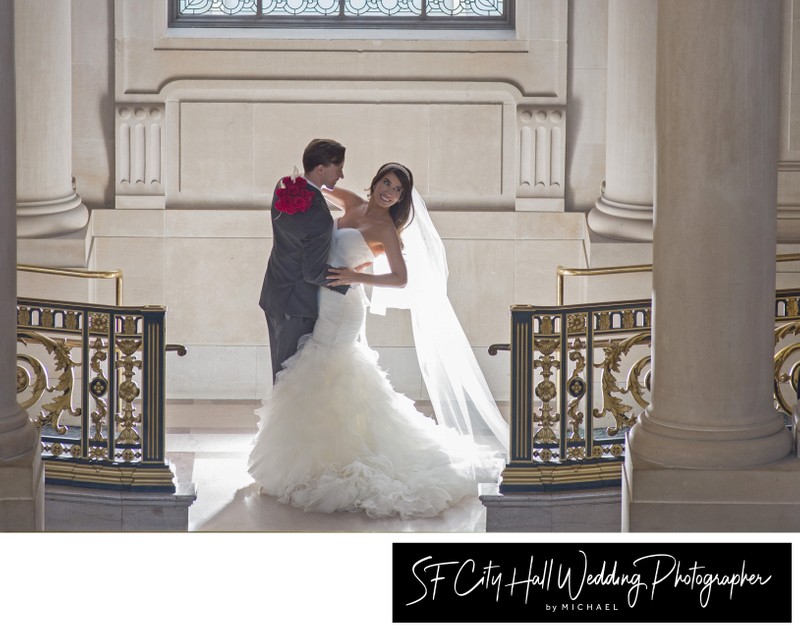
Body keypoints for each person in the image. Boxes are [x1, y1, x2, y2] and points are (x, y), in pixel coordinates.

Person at [248, 162, 506, 519]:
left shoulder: (385, 227)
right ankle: (321, 453)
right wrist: (288, 191)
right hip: (319, 297)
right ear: (374, 183)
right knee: (323, 374)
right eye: (386, 182)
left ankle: (332, 459)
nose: (390, 191)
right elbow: (315, 188)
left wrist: (356, 274)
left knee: (327, 372)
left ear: (401, 198)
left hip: (344, 307)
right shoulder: (352, 202)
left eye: (398, 190)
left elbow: (400, 278)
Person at [258, 138, 349, 383]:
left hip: (274, 294)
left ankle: (278, 422)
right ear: (320, 169)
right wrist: (348, 281)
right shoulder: (320, 218)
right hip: (297, 307)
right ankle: (285, 422)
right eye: (338, 167)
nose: (341, 174)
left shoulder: (284, 187)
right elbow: (313, 272)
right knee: (292, 378)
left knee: (281, 373)